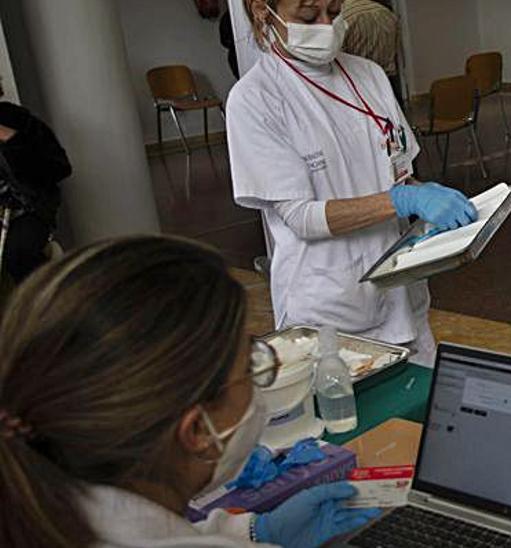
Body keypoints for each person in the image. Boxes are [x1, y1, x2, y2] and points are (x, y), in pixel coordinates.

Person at [0, 236, 378, 547]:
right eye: (250, 367)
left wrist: (252, 532)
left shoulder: (39, 502)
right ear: (198, 431)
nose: (256, 381)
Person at [228, 0, 476, 365]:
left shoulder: (369, 76)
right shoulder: (255, 100)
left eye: (334, 10)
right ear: (264, 11)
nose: (326, 26)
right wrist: (403, 201)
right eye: (309, 16)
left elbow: (398, 171)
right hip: (330, 314)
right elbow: (301, 217)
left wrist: (427, 200)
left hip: (402, 296)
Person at [0, 84, 71, 284]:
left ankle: (45, 306)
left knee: (18, 253)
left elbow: (59, 168)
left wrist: (9, 138)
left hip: (24, 210)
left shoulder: (19, 121)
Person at [340, 0, 403, 104]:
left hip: (359, 85)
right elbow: (396, 47)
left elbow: (337, 56)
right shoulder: (387, 13)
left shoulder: (344, 17)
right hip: (387, 82)